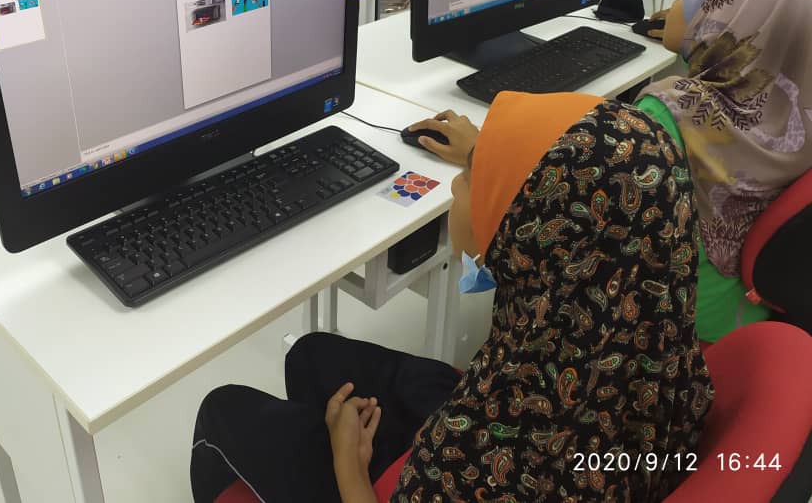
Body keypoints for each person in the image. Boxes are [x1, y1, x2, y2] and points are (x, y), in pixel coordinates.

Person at [191, 93, 711, 502]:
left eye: (471, 178)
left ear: (532, 235)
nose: (459, 188)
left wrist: (348, 464)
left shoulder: (486, 466)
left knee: (222, 410)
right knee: (311, 355)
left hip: (441, 469)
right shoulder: (646, 340)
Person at [415, 0, 812, 344]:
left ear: (720, 22)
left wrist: (482, 151)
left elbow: (552, 198)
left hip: (670, 329)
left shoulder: (672, 119)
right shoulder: (797, 112)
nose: (674, 6)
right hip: (744, 317)